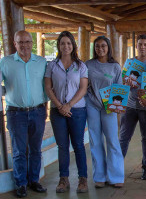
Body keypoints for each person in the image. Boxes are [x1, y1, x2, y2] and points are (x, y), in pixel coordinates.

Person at [0, 30, 48, 197]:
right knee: (19, 150)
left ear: (32, 43)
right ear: (15, 44)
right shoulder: (5, 62)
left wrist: (46, 108)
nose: (24, 45)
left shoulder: (41, 62)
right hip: (16, 114)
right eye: (21, 42)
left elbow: (46, 86)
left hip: (38, 111)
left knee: (36, 149)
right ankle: (21, 183)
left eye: (27, 42)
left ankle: (34, 180)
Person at [44, 31, 89, 193]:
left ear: (73, 45)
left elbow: (83, 89)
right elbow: (48, 88)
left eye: (69, 43)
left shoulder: (81, 66)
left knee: (78, 145)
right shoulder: (52, 65)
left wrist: (69, 105)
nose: (66, 46)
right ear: (58, 45)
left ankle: (82, 179)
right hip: (57, 112)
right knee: (62, 146)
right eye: (62, 43)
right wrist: (60, 106)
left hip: (77, 111)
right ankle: (64, 179)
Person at [119, 34, 146, 180]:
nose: (142, 47)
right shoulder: (129, 62)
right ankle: (117, 166)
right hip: (130, 105)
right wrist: (127, 82)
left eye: (145, 44)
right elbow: (123, 82)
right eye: (140, 44)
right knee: (124, 137)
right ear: (136, 46)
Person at [85, 36, 124, 188]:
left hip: (110, 107)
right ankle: (99, 176)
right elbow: (83, 84)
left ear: (108, 47)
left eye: (103, 46)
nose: (100, 49)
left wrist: (116, 110)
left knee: (112, 140)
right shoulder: (88, 64)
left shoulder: (115, 67)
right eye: (97, 46)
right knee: (95, 140)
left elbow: (119, 89)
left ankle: (116, 176)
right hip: (92, 105)